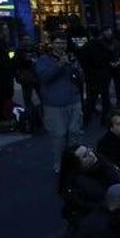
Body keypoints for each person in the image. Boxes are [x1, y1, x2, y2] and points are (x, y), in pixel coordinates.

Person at [35, 32, 84, 173]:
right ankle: (60, 164)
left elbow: (80, 76)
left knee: (75, 133)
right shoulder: (44, 60)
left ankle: (76, 161)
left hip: (73, 101)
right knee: (59, 136)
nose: (61, 46)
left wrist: (76, 68)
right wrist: (60, 65)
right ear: (51, 44)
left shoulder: (71, 57)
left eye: (63, 43)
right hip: (54, 104)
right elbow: (44, 78)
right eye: (57, 43)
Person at [58, 144, 120, 224]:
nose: (91, 155)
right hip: (101, 218)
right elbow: (87, 206)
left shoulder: (104, 163)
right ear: (76, 165)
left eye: (89, 150)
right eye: (85, 156)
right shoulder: (78, 185)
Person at [78, 27, 116, 125]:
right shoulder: (104, 46)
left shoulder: (86, 46)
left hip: (91, 75)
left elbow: (82, 61)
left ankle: (87, 119)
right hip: (104, 73)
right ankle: (105, 118)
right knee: (105, 97)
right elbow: (111, 57)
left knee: (91, 98)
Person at [12, 33, 41, 124]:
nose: (27, 41)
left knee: (41, 94)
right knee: (27, 97)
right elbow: (15, 64)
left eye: (28, 39)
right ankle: (31, 115)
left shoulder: (34, 49)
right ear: (21, 41)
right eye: (25, 40)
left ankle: (38, 114)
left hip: (36, 76)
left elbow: (40, 60)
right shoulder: (19, 51)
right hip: (26, 78)